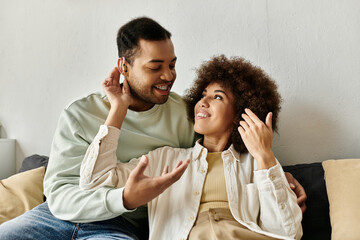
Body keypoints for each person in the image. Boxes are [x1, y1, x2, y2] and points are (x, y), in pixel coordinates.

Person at [0, 17, 305, 240]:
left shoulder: (185, 117)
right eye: (155, 66)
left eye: (172, 64)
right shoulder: (81, 115)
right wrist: (117, 113)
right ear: (124, 67)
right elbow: (67, 193)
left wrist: (272, 168)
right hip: (58, 216)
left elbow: (223, 153)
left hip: (121, 227)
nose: (168, 75)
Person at [80, 55, 303, 240]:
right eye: (203, 94)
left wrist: (265, 157)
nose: (203, 102)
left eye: (217, 97)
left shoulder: (259, 165)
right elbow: (94, 180)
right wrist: (119, 108)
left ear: (240, 114)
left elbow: (288, 232)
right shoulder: (165, 159)